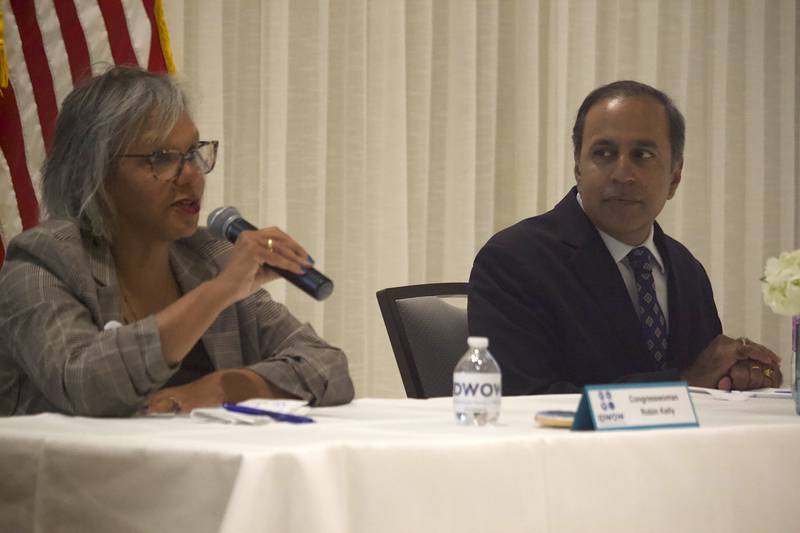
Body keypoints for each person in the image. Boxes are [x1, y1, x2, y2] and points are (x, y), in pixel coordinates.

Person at [0, 66, 354, 416]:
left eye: (194, 153)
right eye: (163, 158)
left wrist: (214, 390)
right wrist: (218, 292)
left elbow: (326, 365)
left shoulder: (206, 256)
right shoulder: (40, 261)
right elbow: (85, 385)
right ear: (95, 172)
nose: (193, 176)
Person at [468, 80, 782, 395]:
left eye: (642, 155)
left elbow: (707, 390)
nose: (622, 174)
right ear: (578, 168)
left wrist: (740, 376)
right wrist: (681, 383)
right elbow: (522, 401)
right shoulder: (514, 261)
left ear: (675, 177)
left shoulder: (687, 270)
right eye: (603, 153)